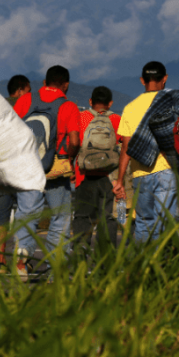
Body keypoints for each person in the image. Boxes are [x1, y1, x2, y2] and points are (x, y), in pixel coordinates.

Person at [113, 62, 179, 243]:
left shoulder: (130, 108)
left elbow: (126, 147)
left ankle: (146, 265)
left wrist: (120, 180)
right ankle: (167, 265)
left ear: (142, 80)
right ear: (165, 78)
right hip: (168, 171)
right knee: (169, 220)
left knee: (144, 222)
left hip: (140, 174)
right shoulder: (174, 103)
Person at [12, 66, 81, 278]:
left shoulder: (25, 101)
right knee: (59, 217)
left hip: (28, 167)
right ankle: (56, 270)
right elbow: (75, 140)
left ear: (44, 82)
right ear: (66, 85)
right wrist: (68, 158)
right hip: (57, 169)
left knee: (27, 214)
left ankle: (22, 259)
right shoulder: (69, 106)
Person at [72, 86, 121, 251]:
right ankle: (106, 265)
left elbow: (73, 143)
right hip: (109, 178)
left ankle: (80, 262)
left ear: (90, 102)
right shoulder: (117, 120)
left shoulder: (81, 118)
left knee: (82, 219)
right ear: (110, 103)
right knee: (107, 220)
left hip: (83, 176)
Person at [0, 74, 31, 270]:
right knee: (25, 213)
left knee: (0, 217)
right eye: (28, 90)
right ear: (21, 89)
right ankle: (21, 262)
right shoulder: (28, 106)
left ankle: (0, 261)